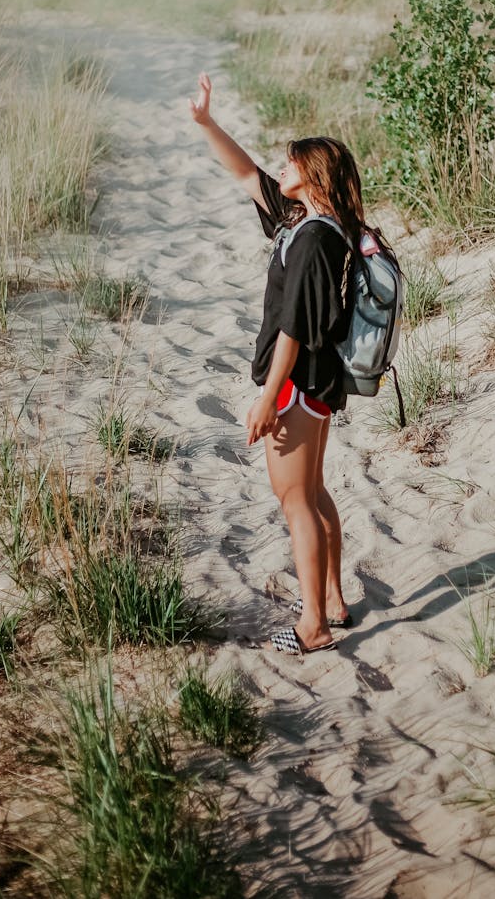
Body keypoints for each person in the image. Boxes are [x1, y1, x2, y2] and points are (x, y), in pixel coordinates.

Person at [189, 71, 364, 657]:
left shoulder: (314, 240)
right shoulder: (308, 225)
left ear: (313, 177)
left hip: (298, 383)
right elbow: (245, 175)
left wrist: (269, 396)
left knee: (295, 502)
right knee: (311, 493)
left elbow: (294, 327)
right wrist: (208, 123)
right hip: (314, 384)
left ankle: (313, 624)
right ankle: (334, 601)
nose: (280, 168)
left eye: (291, 163)